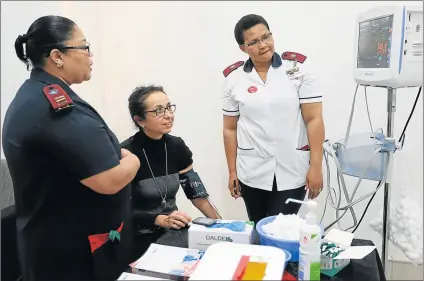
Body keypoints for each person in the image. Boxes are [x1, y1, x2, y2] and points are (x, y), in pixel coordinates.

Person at [2, 16, 140, 281]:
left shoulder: (36, 94)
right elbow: (108, 179)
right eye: (84, 47)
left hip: (65, 248)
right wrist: (132, 159)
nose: (91, 55)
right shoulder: (55, 108)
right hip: (74, 258)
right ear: (57, 56)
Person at [222, 14, 325, 225]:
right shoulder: (233, 79)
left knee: (280, 229)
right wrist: (232, 171)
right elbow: (229, 129)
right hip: (252, 169)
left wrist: (316, 166)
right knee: (259, 228)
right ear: (243, 48)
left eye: (266, 37)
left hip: (292, 167)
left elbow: (314, 119)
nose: (263, 45)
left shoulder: (298, 69)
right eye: (253, 42)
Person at [121, 85, 221, 259]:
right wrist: (157, 219)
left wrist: (223, 227)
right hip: (137, 235)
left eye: (168, 107)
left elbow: (197, 194)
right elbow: (121, 211)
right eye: (159, 111)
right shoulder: (126, 154)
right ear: (140, 120)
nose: (168, 115)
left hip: (172, 229)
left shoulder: (176, 147)